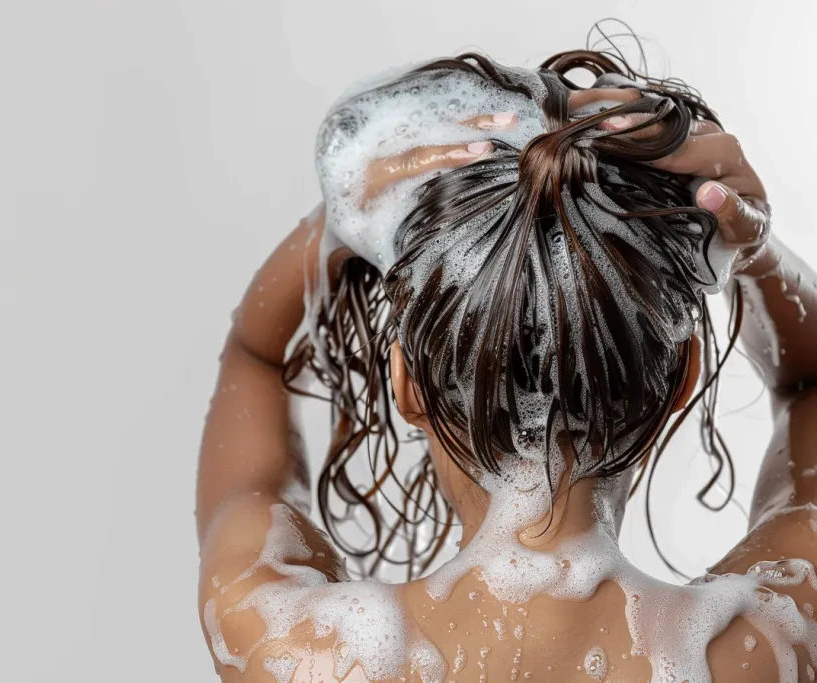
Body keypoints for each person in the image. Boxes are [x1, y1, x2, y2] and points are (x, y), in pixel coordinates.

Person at [195, 48, 817, 682]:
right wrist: (743, 243)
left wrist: (345, 214)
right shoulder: (761, 651)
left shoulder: (292, 650)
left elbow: (255, 357)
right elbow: (811, 386)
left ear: (406, 380)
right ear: (686, 372)